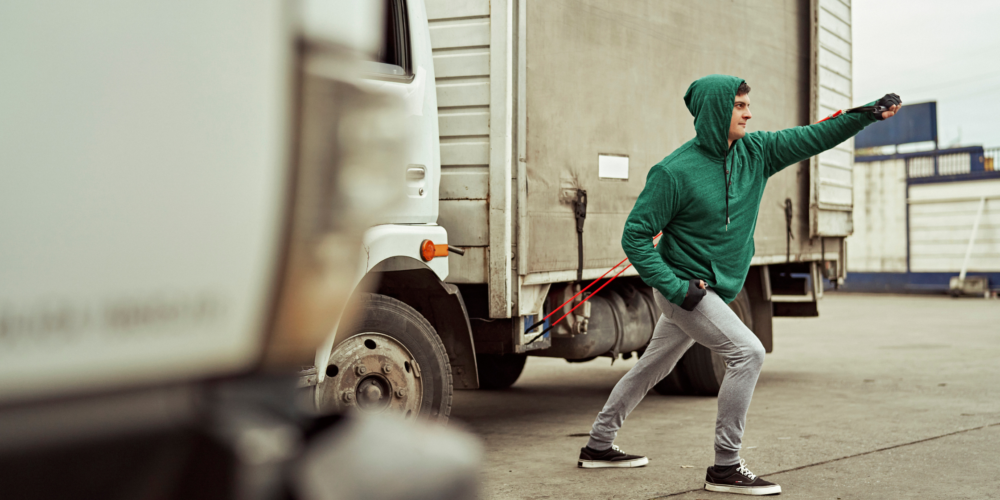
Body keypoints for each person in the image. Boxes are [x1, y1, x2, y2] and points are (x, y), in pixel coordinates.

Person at [576, 74, 901, 496]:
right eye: (740, 106)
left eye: (748, 105)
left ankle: (598, 445)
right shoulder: (673, 172)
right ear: (716, 111)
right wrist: (677, 289)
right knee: (747, 353)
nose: (749, 113)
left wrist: (866, 114)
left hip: (712, 288)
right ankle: (725, 467)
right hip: (686, 289)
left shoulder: (758, 152)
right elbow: (635, 236)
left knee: (652, 367)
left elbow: (814, 135)